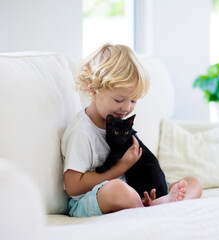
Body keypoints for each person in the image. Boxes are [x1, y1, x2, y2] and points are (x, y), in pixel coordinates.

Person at [61, 43, 202, 218]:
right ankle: (153, 210)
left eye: (133, 101)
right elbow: (73, 186)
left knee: (193, 183)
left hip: (135, 190)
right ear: (93, 89)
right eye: (119, 99)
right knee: (118, 189)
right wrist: (120, 167)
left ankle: (154, 204)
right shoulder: (82, 131)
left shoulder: (118, 123)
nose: (126, 108)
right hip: (93, 199)